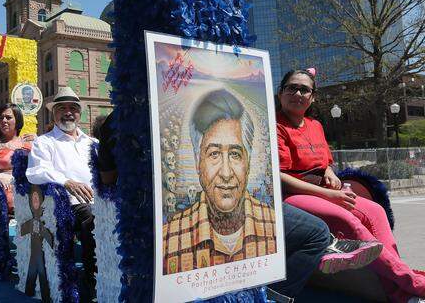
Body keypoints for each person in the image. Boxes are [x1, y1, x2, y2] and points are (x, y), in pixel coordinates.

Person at [276, 69, 425, 302]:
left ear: (312, 97)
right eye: (291, 87)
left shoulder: (315, 125)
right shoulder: (275, 125)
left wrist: (329, 173)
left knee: (376, 211)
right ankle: (411, 281)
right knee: (349, 220)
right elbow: (279, 176)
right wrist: (328, 194)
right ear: (280, 93)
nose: (297, 93)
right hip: (292, 193)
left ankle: (395, 290)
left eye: (304, 89)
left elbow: (324, 162)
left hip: (323, 189)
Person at [162, 89, 276, 273]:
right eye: (214, 154)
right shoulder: (168, 239)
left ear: (248, 162)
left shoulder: (273, 224)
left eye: (235, 154)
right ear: (198, 161)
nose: (226, 173)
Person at [26, 87, 98, 302]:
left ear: (79, 114)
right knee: (90, 215)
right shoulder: (44, 142)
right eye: (62, 108)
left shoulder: (93, 143)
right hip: (66, 204)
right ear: (54, 113)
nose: (68, 112)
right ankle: (92, 278)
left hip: (99, 201)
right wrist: (65, 182)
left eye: (73, 108)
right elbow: (35, 172)